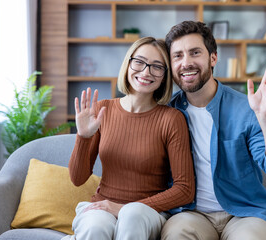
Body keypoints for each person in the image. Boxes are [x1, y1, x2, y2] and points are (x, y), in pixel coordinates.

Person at [161, 21, 266, 240]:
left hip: (246, 214)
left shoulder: (246, 108)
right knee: (176, 235)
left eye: (195, 52)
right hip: (190, 214)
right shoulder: (166, 113)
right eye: (177, 56)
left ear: (213, 58)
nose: (186, 63)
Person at [62, 37, 195, 240]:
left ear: (164, 76)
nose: (146, 72)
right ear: (128, 63)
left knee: (131, 215)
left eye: (156, 67)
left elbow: (184, 190)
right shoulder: (102, 110)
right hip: (102, 206)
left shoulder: (171, 119)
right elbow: (77, 179)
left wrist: (123, 208)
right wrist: (83, 137)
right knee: (95, 227)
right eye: (139, 62)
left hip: (146, 213)